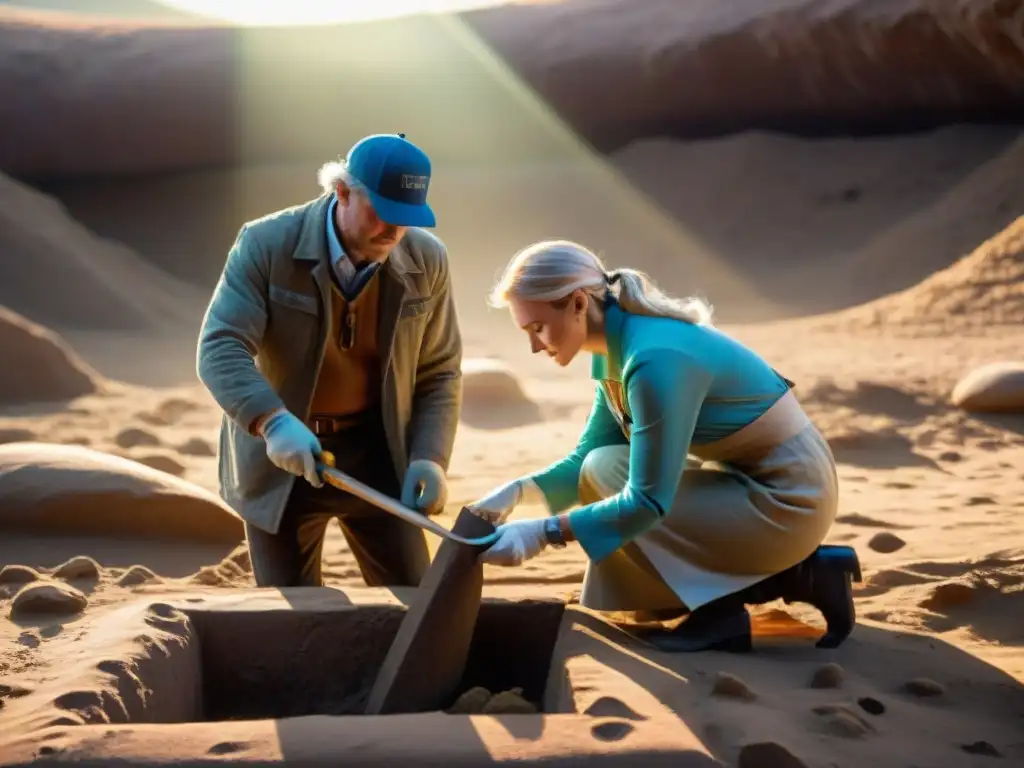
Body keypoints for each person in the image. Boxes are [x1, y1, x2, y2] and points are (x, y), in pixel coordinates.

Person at [468, 239, 862, 652]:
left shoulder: (655, 359)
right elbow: (589, 456)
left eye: (538, 328)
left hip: (792, 499)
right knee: (602, 467)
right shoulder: (615, 348)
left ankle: (738, 603)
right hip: (745, 485)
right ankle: (768, 579)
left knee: (619, 489)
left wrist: (545, 533)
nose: (534, 345)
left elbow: (648, 502)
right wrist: (518, 492)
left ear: (579, 304)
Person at [196, 132, 462, 589]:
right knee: (292, 621)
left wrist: (430, 456)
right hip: (284, 459)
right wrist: (271, 422)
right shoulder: (265, 244)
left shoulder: (427, 258)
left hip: (383, 458)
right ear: (341, 191)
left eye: (407, 217)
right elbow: (220, 346)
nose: (395, 231)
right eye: (383, 211)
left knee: (416, 605)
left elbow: (439, 371)